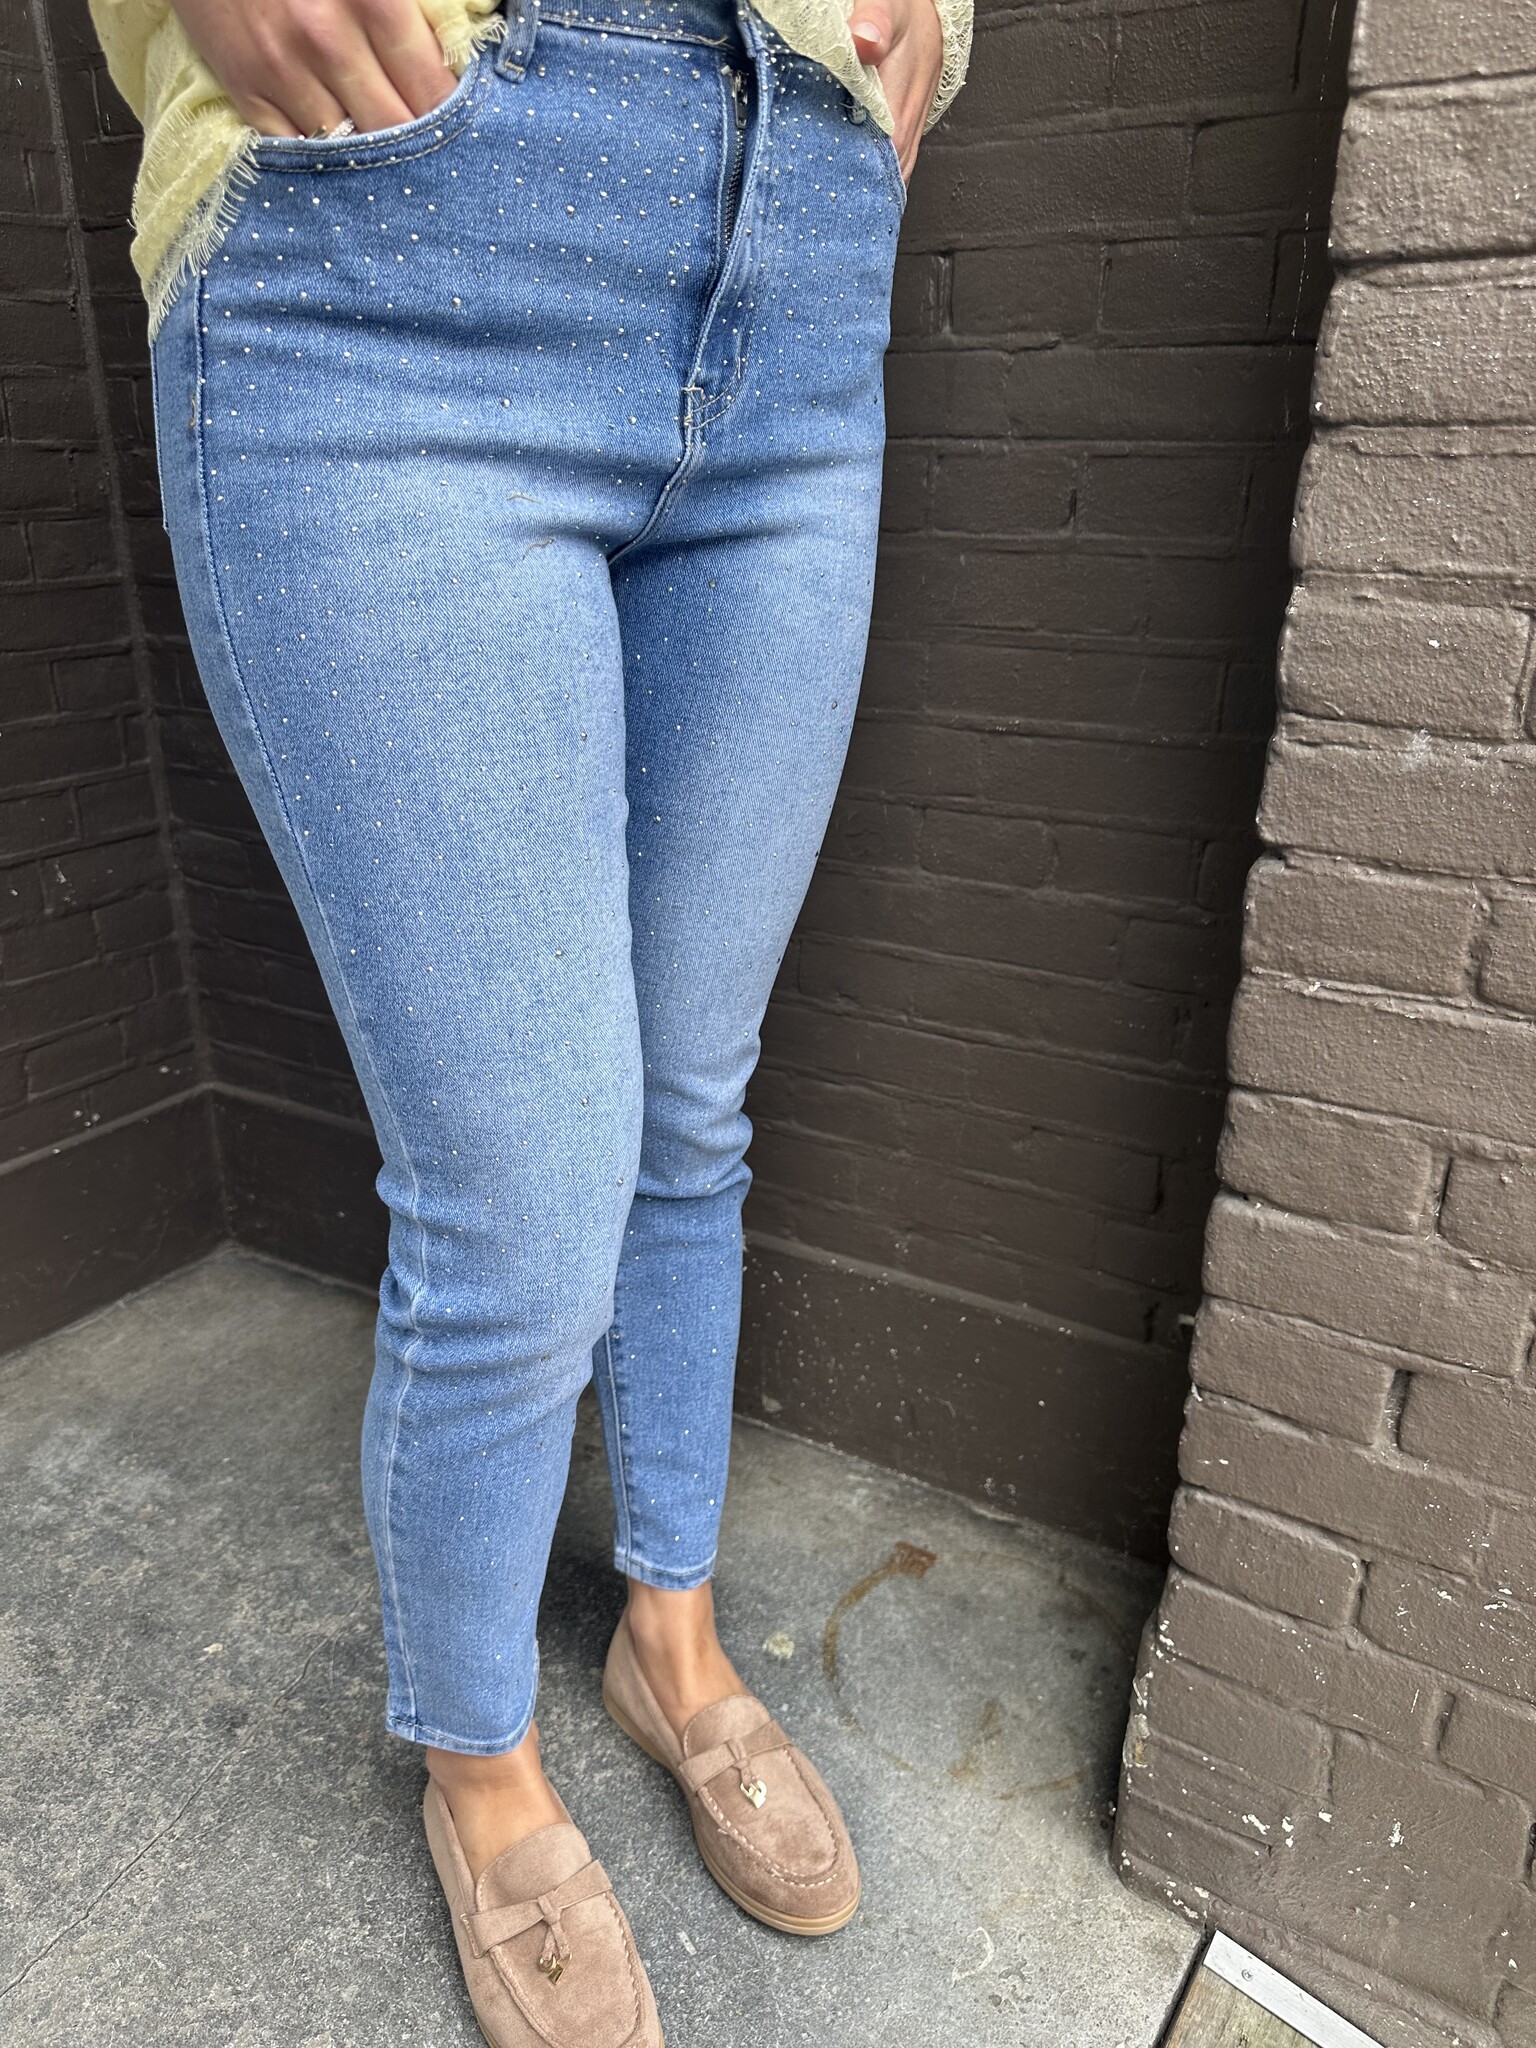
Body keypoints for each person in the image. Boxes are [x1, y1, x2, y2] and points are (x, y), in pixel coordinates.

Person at [87, 0, 970, 2034]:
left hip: (795, 244)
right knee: (519, 1195)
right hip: (391, 228)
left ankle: (674, 1635)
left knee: (691, 1103)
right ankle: (478, 1769)